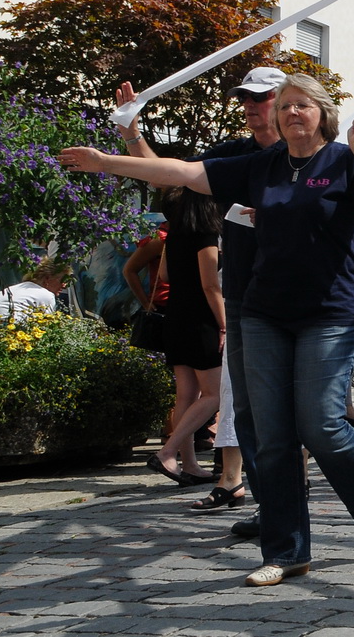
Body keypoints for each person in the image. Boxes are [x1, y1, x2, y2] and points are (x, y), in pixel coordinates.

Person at [61, 74, 354, 587]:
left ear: (323, 113)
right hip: (263, 312)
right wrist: (109, 161)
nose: (290, 113)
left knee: (321, 423)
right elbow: (180, 171)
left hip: (327, 313)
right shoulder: (259, 165)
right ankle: (287, 552)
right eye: (285, 105)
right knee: (269, 435)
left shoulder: (343, 161)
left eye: (300, 105)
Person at [115, 66, 284, 542]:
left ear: (289, 99)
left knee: (304, 413)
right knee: (246, 409)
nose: (252, 106)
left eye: (262, 97)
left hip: (301, 296)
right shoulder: (234, 153)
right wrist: (132, 136)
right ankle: (260, 495)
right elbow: (171, 176)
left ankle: (301, 491)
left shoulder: (311, 154)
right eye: (245, 99)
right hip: (247, 295)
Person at [147, 188, 225, 486]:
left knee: (186, 395)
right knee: (214, 393)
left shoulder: (173, 236)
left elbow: (165, 275)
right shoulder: (204, 234)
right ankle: (167, 452)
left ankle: (189, 464)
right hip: (201, 318)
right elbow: (210, 286)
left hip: (176, 315)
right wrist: (223, 323)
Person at [0, 258, 69, 318]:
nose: (64, 285)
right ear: (47, 278)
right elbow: (47, 327)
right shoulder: (46, 295)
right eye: (62, 280)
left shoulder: (16, 289)